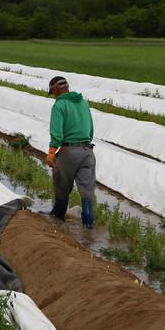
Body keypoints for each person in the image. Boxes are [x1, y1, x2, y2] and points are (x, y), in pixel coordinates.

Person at [46, 75, 96, 228]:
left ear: (56, 89)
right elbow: (90, 129)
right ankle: (88, 225)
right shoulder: (83, 102)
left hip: (69, 152)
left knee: (61, 185)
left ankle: (57, 220)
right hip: (88, 151)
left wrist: (51, 152)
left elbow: (57, 133)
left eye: (52, 92)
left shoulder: (59, 105)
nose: (53, 95)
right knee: (87, 190)